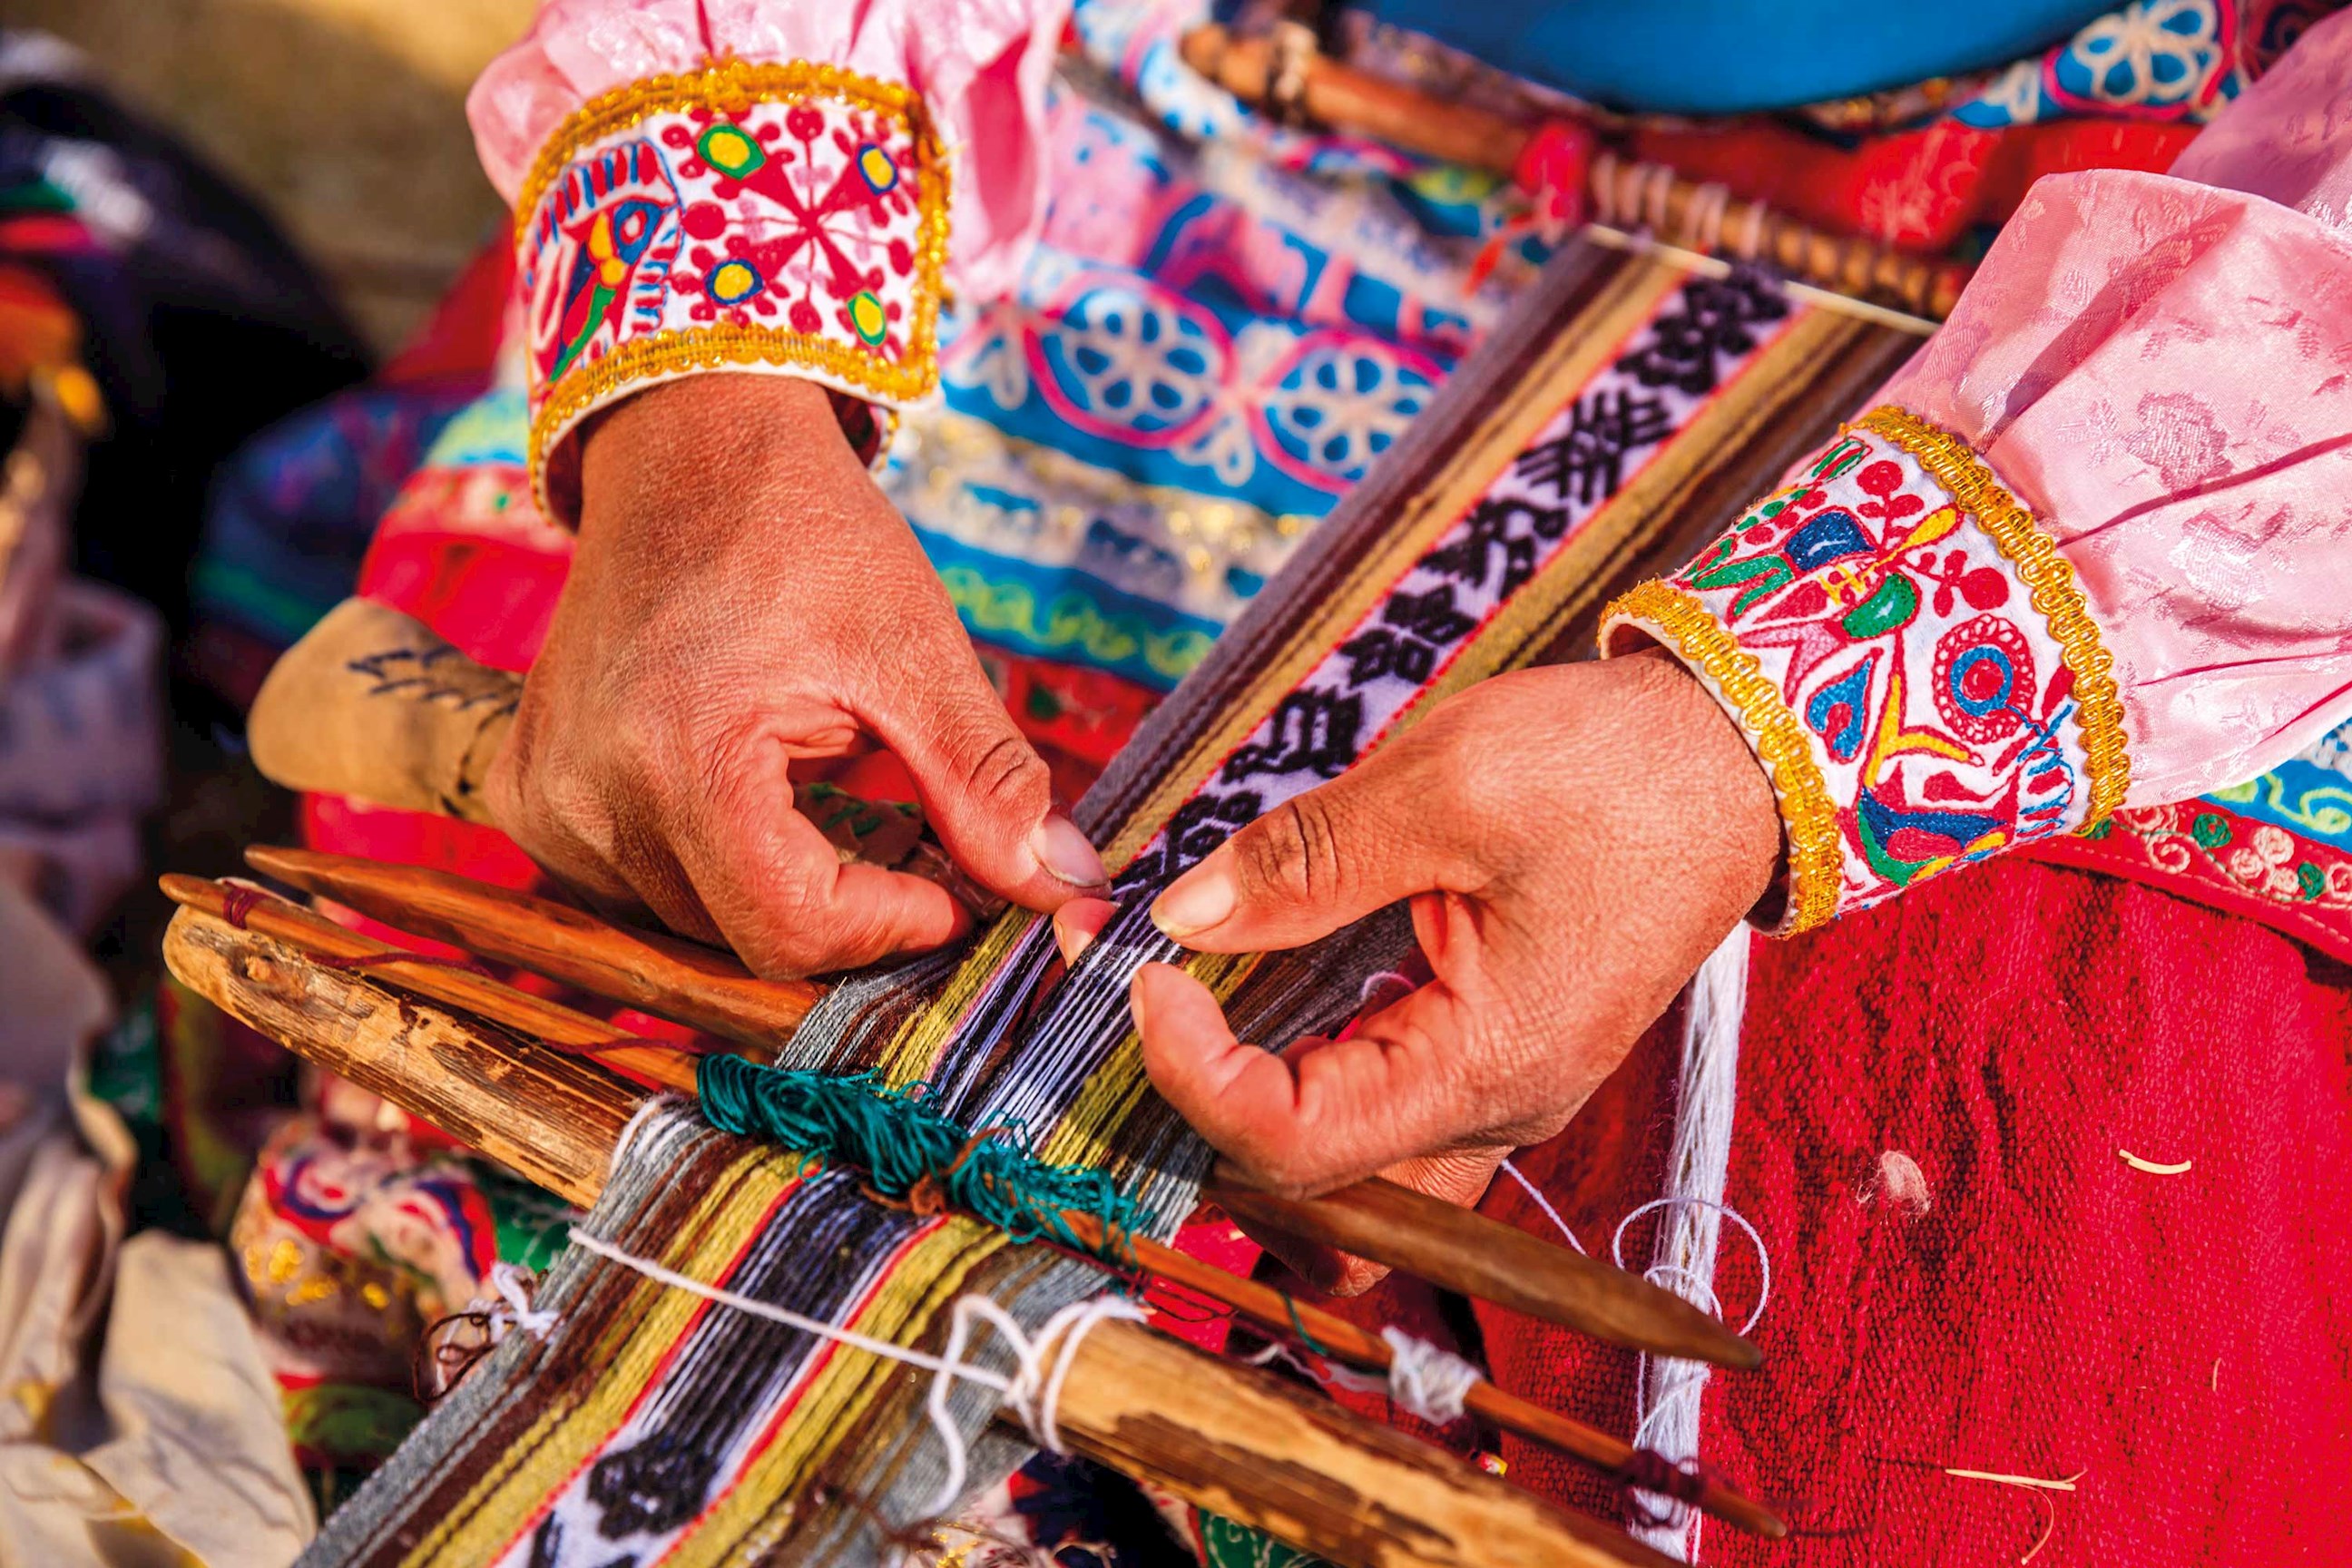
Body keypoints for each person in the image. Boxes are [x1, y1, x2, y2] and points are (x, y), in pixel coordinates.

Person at [266, 0, 2352, 1558]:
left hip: (2156, 291)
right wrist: (710, 419)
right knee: (637, 763)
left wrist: (1765, 733)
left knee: (1998, 1324)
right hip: (1238, 104)